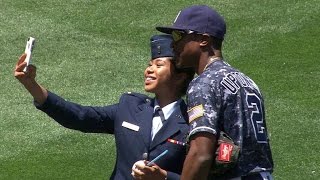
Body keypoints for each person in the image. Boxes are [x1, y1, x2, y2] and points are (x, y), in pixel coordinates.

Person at [14, 34, 195, 180]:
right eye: (149, 65)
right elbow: (79, 117)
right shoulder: (130, 107)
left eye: (159, 65)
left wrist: (163, 177)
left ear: (180, 77)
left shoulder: (193, 122)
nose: (149, 70)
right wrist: (31, 85)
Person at [156, 5, 274, 180]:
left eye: (179, 36)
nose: (173, 44)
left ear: (203, 40)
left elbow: (200, 154)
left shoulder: (204, 83)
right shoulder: (246, 80)